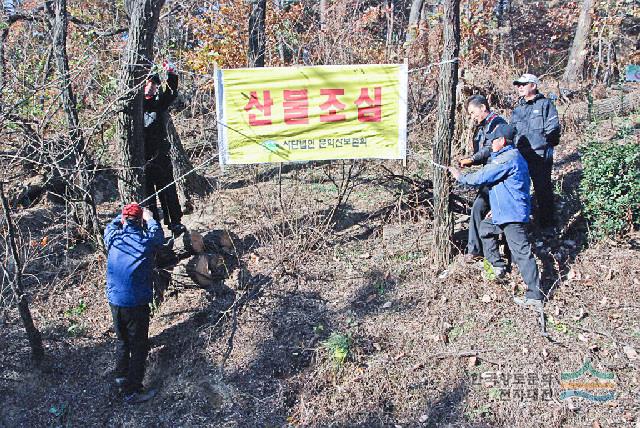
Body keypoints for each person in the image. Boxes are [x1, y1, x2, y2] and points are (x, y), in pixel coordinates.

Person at [449, 124, 544, 310]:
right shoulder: (508, 157)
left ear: (501, 141)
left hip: (512, 214)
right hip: (504, 211)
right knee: (485, 228)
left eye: (493, 140)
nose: (491, 143)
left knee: (522, 253)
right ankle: (498, 266)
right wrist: (497, 208)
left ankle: (535, 295)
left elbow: (482, 176)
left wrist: (459, 176)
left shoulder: (508, 158)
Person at [104, 203, 165, 403]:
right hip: (136, 303)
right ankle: (132, 391)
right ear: (140, 221)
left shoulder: (113, 238)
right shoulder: (145, 241)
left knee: (123, 340)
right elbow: (158, 236)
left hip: (115, 302)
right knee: (139, 345)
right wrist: (150, 218)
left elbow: (111, 226)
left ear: (123, 220)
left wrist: (120, 215)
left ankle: (121, 377)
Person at [459, 95, 507, 261]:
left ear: (483, 107)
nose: (472, 117)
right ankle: (476, 250)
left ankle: (496, 253)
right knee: (478, 208)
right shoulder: (482, 126)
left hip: (500, 176)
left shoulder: (497, 124)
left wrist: (472, 159)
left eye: (473, 112)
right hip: (489, 174)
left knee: (486, 209)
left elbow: (490, 149)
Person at [510, 74, 561, 229]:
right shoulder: (517, 109)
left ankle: (548, 226)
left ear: (533, 85)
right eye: (518, 85)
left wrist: (544, 147)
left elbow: (553, 131)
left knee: (543, 190)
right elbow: (511, 132)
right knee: (520, 191)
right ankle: (523, 226)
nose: (520, 87)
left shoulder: (545, 104)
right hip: (521, 157)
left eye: (523, 84)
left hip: (540, 157)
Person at [143, 60, 185, 237]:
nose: (152, 87)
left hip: (161, 156)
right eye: (149, 83)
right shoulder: (134, 105)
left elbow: (171, 93)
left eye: (155, 83)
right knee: (148, 195)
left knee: (168, 190)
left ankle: (174, 223)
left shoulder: (159, 101)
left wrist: (172, 73)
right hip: (142, 159)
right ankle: (153, 227)